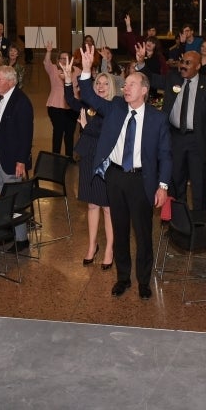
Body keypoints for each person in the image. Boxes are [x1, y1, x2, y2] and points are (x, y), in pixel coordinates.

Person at [78, 44, 171, 300]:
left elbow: (165, 155)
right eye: (125, 84)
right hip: (116, 177)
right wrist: (86, 71)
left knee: (142, 233)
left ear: (144, 90)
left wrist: (163, 186)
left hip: (142, 179)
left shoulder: (157, 118)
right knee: (119, 231)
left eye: (131, 84)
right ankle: (122, 278)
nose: (125, 88)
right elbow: (89, 96)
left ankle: (143, 281)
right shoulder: (116, 107)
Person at [143, 49, 206, 213]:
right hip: (175, 138)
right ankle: (178, 223)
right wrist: (141, 63)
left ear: (198, 65)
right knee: (175, 181)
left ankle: (199, 223)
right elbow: (150, 79)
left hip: (198, 140)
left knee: (199, 183)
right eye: (182, 62)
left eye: (188, 63)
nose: (183, 66)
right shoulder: (173, 78)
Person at [65, 69, 117, 269]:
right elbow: (71, 101)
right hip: (88, 158)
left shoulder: (113, 107)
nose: (101, 87)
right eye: (98, 84)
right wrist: (69, 80)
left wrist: (87, 128)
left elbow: (106, 133)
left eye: (105, 84)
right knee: (92, 205)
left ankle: (109, 249)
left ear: (111, 87)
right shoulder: (90, 106)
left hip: (105, 161)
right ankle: (92, 244)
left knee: (107, 207)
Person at [0, 64, 34, 251]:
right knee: (4, 196)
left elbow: (26, 135)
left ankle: (21, 239)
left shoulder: (21, 102)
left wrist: (21, 160)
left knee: (14, 199)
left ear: (10, 81)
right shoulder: (1, 98)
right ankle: (12, 232)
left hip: (12, 157)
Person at [43, 41, 79, 159]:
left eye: (67, 58)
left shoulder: (77, 70)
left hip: (72, 106)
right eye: (62, 58)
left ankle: (69, 157)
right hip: (55, 106)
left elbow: (83, 84)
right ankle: (56, 157)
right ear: (58, 60)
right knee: (58, 132)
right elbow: (46, 62)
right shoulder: (53, 69)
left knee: (70, 133)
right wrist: (49, 51)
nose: (64, 60)